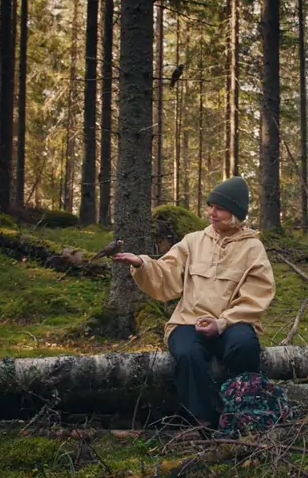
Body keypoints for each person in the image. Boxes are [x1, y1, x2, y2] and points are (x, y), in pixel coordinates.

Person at [112, 176, 276, 428]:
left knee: (245, 346)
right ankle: (205, 421)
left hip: (231, 323)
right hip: (188, 320)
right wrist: (142, 263)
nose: (211, 212)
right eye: (210, 205)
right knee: (187, 354)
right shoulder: (193, 241)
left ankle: (241, 410)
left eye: (219, 208)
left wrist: (222, 324)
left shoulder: (253, 248)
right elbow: (167, 278)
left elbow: (257, 295)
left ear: (234, 213)